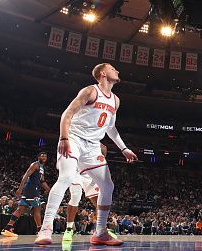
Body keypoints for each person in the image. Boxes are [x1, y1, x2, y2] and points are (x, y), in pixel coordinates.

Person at [34, 63, 138, 246]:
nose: (118, 71)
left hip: (92, 147)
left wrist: (124, 148)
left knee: (108, 186)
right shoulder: (90, 91)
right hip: (74, 138)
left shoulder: (115, 100)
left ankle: (100, 232)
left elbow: (111, 128)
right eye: (113, 69)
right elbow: (67, 114)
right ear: (103, 73)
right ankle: (46, 228)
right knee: (65, 178)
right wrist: (64, 138)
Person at [62, 143, 117, 242]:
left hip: (89, 173)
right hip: (76, 171)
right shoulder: (76, 136)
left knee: (98, 202)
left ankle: (100, 229)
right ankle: (69, 229)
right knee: (75, 196)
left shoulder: (93, 137)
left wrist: (100, 158)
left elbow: (104, 148)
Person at [1, 152, 50, 237]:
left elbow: (42, 181)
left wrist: (49, 190)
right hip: (32, 189)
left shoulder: (42, 168)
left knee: (20, 209)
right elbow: (26, 175)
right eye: (42, 156)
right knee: (37, 209)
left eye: (45, 156)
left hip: (32, 190)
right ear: (38, 157)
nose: (44, 157)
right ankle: (39, 230)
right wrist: (20, 188)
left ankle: (8, 228)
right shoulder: (35, 164)